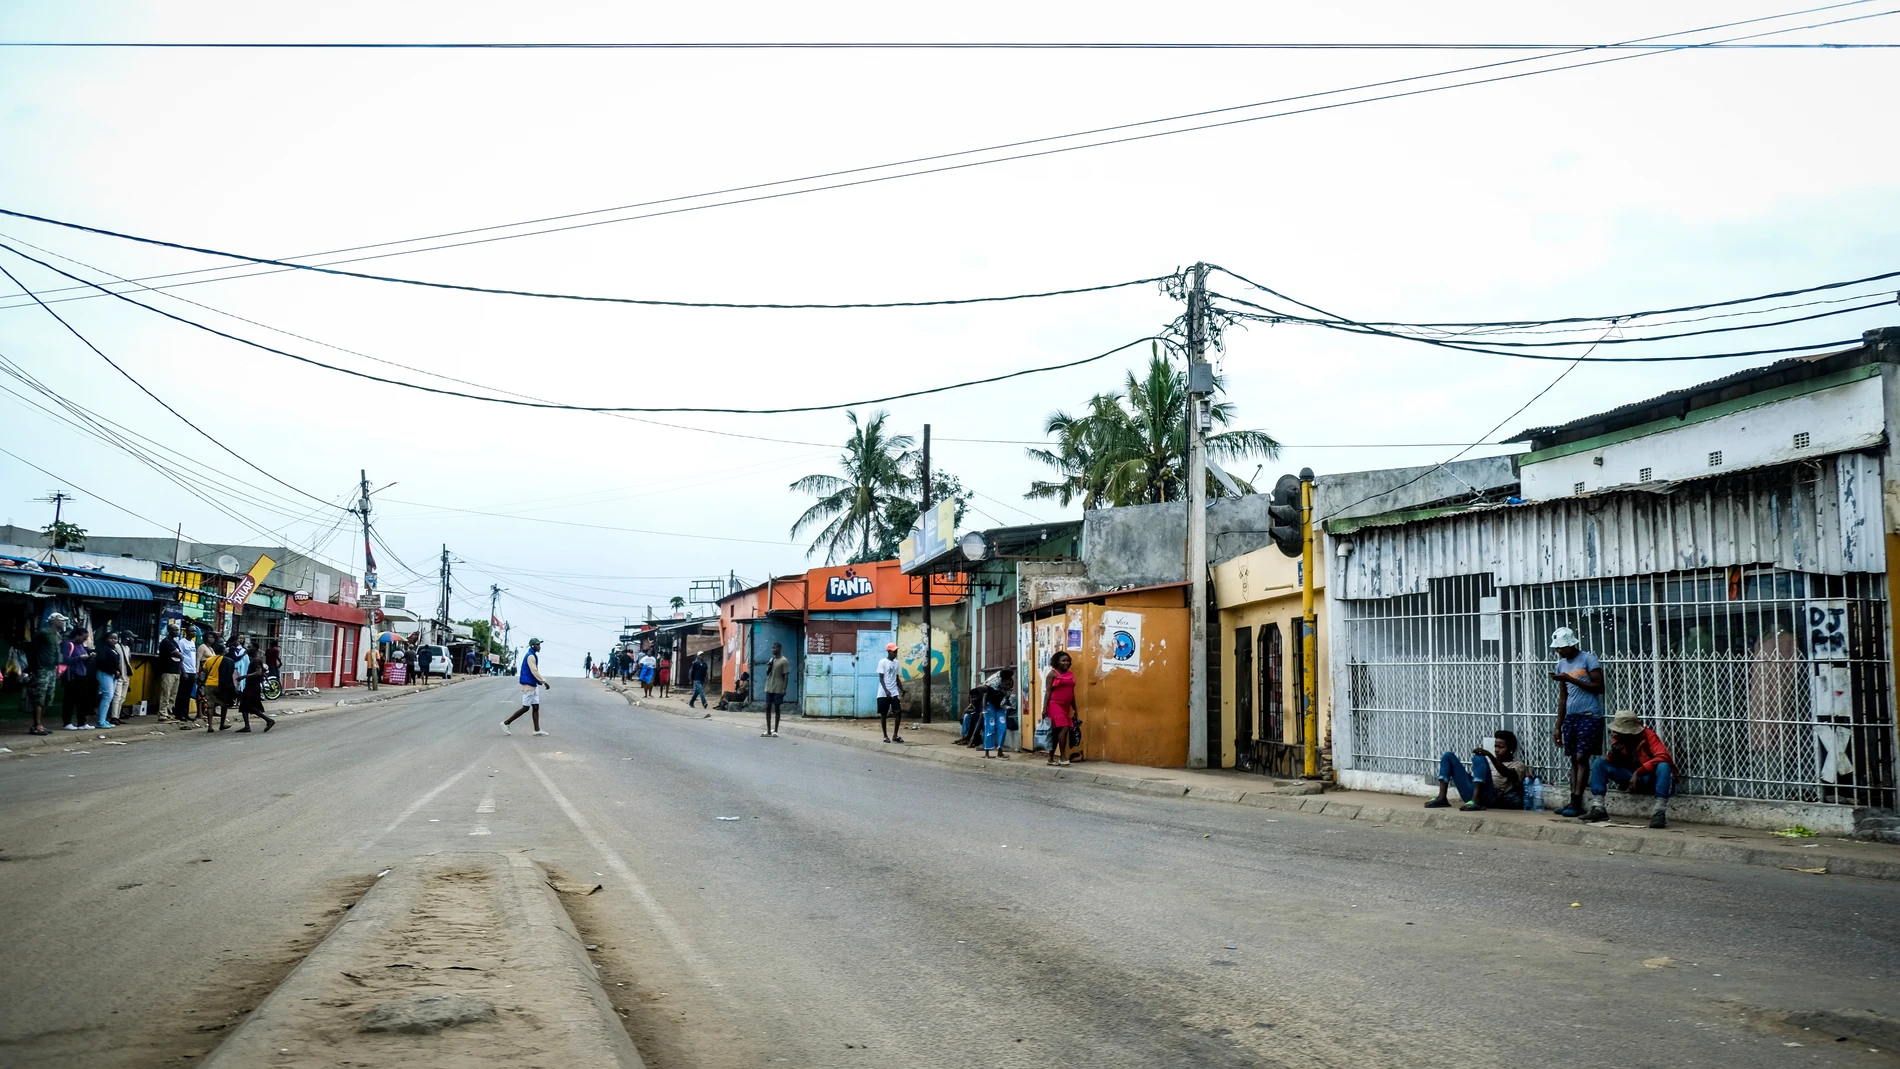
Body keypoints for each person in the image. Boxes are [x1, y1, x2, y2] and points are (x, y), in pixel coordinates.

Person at [1548, 626, 1606, 817]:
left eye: (1562, 647)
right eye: (1557, 648)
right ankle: (1574, 801)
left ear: (1572, 644)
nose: (1559, 651)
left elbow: (1599, 687)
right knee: (1573, 758)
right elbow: (1563, 697)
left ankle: (1577, 799)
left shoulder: (1588, 659)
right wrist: (1558, 726)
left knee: (1582, 757)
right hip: (1571, 716)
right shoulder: (1561, 665)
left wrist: (1571, 679)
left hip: (1589, 714)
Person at [1585, 710, 1676, 828]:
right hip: (1628, 776)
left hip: (1648, 777)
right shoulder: (1618, 738)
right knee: (1599, 763)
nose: (1618, 733)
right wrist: (1614, 754)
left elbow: (1664, 756)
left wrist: (1639, 771)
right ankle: (1598, 807)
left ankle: (1659, 812)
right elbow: (1612, 763)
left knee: (1663, 766)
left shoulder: (1648, 735)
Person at [1425, 730, 1527, 811]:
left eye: (1501, 747)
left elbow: (1507, 773)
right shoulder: (1490, 763)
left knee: (1479, 758)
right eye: (1495, 746)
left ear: (1511, 749)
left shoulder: (1518, 765)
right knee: (1448, 756)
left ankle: (1476, 801)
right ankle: (1442, 798)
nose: (1496, 750)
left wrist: (1489, 755)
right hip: (1472, 793)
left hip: (1491, 797)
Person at [24, 612, 64, 736]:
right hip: (41, 669)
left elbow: (58, 653)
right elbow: (31, 650)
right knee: (39, 698)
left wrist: (58, 668)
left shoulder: (57, 635)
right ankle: (36, 725)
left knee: (48, 698)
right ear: (54, 621)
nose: (63, 623)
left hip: (52, 669)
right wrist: (33, 667)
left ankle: (40, 724)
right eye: (61, 620)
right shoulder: (43, 633)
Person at [503, 637, 551, 736]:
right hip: (528, 685)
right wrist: (544, 682)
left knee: (536, 706)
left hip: (532, 684)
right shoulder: (530, 656)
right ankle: (506, 723)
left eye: (539, 644)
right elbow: (534, 671)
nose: (539, 646)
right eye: (537, 645)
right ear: (533, 646)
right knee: (525, 708)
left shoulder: (532, 655)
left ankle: (537, 730)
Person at [1043, 651, 1078, 766]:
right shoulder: (1052, 674)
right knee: (1064, 728)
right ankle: (1062, 756)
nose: (1066, 663)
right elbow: (1048, 692)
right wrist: (1045, 708)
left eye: (1067, 660)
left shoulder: (1071, 674)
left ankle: (1050, 758)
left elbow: (1072, 693)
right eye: (1063, 660)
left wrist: (1075, 709)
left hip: (1066, 706)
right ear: (1057, 662)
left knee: (1055, 732)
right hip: (1054, 705)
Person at [236, 643, 275, 732]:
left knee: (250, 706)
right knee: (243, 706)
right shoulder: (254, 660)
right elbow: (261, 672)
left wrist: (244, 676)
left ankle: (269, 720)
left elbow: (258, 672)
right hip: (250, 685)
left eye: (250, 647)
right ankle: (247, 726)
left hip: (253, 687)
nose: (247, 649)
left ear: (255, 649)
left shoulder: (256, 660)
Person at [59, 626, 93, 730]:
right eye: (83, 637)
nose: (85, 640)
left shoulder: (81, 645)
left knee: (82, 700)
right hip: (72, 675)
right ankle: (67, 723)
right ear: (77, 635)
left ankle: (82, 722)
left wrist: (89, 657)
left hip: (81, 675)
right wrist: (79, 657)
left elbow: (83, 660)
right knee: (69, 700)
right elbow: (64, 659)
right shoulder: (67, 644)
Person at [92, 631, 123, 728]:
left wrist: (117, 672)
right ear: (106, 638)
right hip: (105, 674)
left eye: (115, 638)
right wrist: (115, 671)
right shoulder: (103, 649)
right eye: (111, 638)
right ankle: (101, 721)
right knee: (107, 696)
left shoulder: (113, 649)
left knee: (109, 697)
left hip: (112, 675)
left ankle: (104, 720)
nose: (114, 640)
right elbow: (102, 664)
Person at [875, 642, 904, 744]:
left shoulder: (896, 663)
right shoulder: (882, 662)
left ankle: (895, 735)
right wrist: (886, 690)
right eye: (893, 651)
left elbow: (896, 677)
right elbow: (881, 678)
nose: (895, 653)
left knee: (898, 712)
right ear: (888, 651)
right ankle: (885, 735)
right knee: (884, 714)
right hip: (883, 692)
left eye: (896, 651)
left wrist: (902, 689)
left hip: (894, 691)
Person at [156, 622, 184, 724]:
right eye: (174, 630)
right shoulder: (166, 642)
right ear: (169, 631)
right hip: (168, 670)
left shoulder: (174, 642)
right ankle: (163, 714)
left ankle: (169, 712)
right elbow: (178, 654)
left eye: (177, 630)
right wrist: (181, 656)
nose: (177, 632)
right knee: (166, 693)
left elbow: (180, 656)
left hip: (176, 671)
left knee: (173, 694)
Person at [201, 639, 231, 732]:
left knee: (210, 705)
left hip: (209, 684)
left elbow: (205, 671)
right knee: (224, 705)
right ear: (223, 651)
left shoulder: (209, 660)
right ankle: (222, 724)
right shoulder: (225, 660)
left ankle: (210, 726)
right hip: (220, 684)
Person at [764, 642, 792, 737]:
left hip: (778, 688)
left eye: (774, 648)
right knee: (767, 707)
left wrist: (784, 689)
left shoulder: (784, 661)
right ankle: (768, 730)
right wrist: (769, 666)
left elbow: (786, 676)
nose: (772, 650)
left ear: (779, 649)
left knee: (777, 708)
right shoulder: (771, 660)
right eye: (772, 648)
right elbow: (768, 674)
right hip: (769, 687)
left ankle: (775, 730)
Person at [175, 625, 199, 722]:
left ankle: (186, 713)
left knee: (188, 694)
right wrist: (183, 671)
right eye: (192, 631)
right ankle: (179, 713)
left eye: (195, 631)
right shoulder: (181, 642)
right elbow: (180, 658)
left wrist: (195, 671)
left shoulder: (193, 643)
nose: (194, 633)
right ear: (187, 632)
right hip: (185, 671)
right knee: (182, 693)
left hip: (192, 671)